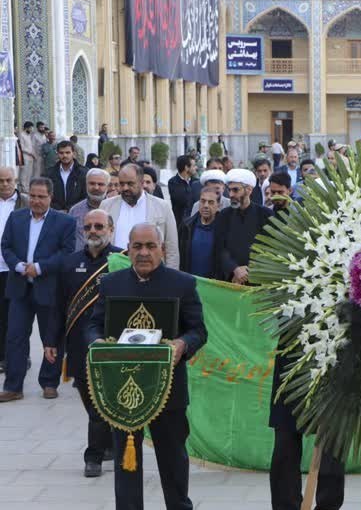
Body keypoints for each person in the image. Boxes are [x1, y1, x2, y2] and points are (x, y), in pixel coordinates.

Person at [86, 223, 207, 510]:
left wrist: (181, 344)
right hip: (122, 392)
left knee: (173, 457)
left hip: (168, 388)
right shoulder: (111, 283)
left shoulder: (183, 284)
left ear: (162, 249)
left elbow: (198, 331)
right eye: (137, 247)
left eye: (150, 246)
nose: (143, 253)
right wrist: (97, 341)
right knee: (126, 462)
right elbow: (92, 324)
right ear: (128, 249)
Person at [47, 209, 120, 476]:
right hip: (78, 344)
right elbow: (57, 306)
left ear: (110, 229)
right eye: (88, 226)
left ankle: (94, 456)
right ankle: (108, 442)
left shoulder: (121, 260)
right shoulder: (69, 263)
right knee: (91, 401)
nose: (93, 231)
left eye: (99, 226)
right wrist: (50, 340)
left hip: (111, 344)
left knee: (101, 403)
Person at [0, 178, 76, 402]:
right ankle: (13, 386)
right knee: (15, 337)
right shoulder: (16, 218)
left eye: (41, 196)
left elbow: (67, 252)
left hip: (49, 288)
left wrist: (41, 268)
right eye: (33, 196)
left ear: (50, 197)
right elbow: (5, 246)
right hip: (20, 288)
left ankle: (49, 382)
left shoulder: (64, 222)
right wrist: (19, 265)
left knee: (51, 337)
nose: (36, 201)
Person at [100, 164, 179, 269]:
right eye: (122, 184)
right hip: (114, 272)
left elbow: (171, 248)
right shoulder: (106, 206)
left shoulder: (162, 207)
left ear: (142, 183)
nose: (125, 188)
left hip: (152, 273)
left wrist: (170, 280)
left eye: (130, 184)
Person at [213, 169, 274, 284]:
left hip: (258, 279)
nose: (231, 195)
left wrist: (246, 272)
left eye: (235, 190)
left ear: (249, 190)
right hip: (230, 279)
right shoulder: (223, 215)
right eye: (229, 190)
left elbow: (269, 249)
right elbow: (220, 248)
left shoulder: (265, 215)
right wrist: (235, 269)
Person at [0, 167, 29, 374]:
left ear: (15, 180)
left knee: (17, 318)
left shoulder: (25, 203)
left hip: (17, 269)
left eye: (8, 180)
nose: (4, 184)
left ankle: (20, 356)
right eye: (0, 181)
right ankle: (3, 357)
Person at [179, 186, 221, 277]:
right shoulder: (187, 226)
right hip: (189, 282)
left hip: (213, 284)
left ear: (218, 206)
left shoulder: (224, 229)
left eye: (211, 202)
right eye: (203, 201)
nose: (206, 205)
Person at [69, 168, 110, 251]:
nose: (96, 187)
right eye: (92, 183)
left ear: (108, 186)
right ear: (86, 185)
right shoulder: (75, 211)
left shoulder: (115, 208)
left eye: (101, 184)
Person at [45, 140, 88, 211]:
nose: (64, 155)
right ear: (57, 154)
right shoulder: (49, 173)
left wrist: (69, 209)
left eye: (67, 153)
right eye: (61, 153)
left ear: (73, 153)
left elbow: (85, 196)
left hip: (77, 212)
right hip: (56, 213)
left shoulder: (83, 173)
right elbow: (47, 195)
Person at [167, 155, 197, 230]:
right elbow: (183, 200)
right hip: (179, 224)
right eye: (193, 166)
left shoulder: (196, 181)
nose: (196, 168)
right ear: (186, 167)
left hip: (194, 222)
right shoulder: (173, 182)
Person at [16, 121, 38, 189]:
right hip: (25, 156)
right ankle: (23, 187)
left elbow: (31, 146)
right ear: (27, 128)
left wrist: (34, 154)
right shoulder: (21, 135)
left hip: (31, 157)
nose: (32, 129)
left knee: (29, 173)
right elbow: (22, 147)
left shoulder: (29, 135)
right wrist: (31, 153)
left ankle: (27, 186)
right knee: (24, 173)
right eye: (31, 128)